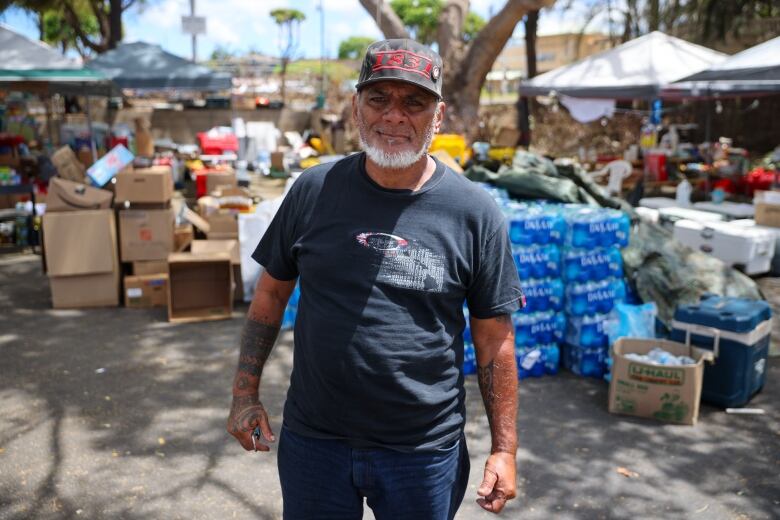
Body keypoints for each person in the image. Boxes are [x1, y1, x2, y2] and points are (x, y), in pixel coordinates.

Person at [227, 38, 524, 519]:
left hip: (423, 452)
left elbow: (494, 339)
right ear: (355, 108)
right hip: (315, 444)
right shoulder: (313, 190)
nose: (394, 116)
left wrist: (504, 450)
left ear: (439, 116)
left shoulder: (474, 213)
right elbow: (270, 292)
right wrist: (244, 395)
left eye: (414, 102)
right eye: (378, 99)